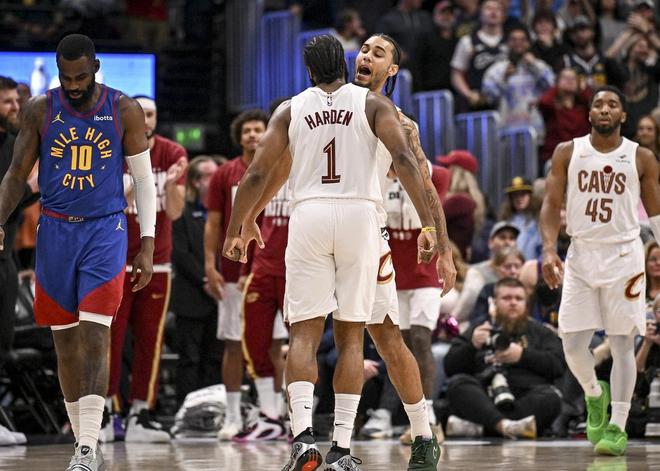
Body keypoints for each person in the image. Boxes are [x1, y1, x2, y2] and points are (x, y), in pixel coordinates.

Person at [223, 34, 438, 471]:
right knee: (353, 337)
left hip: (310, 216)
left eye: (377, 53)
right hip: (362, 218)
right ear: (345, 63)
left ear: (307, 71)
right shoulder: (374, 106)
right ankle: (341, 446)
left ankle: (304, 439)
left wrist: (240, 224)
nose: (367, 57)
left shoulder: (291, 109)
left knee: (303, 334)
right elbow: (408, 163)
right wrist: (429, 225)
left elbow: (259, 172)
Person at [0, 34, 157, 470]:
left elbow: (144, 181)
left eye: (81, 77)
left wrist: (146, 243)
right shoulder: (40, 109)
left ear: (95, 69)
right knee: (65, 343)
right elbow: (15, 175)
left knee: (95, 332)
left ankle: (87, 445)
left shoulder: (123, 108)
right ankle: (84, 443)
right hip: (55, 232)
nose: (73, 86)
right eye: (66, 78)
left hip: (105, 231)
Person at [540, 85, 660, 456]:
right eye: (598, 104)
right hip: (581, 254)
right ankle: (595, 393)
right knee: (572, 344)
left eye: (612, 104)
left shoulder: (641, 157)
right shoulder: (567, 151)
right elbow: (551, 204)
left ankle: (617, 426)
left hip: (624, 256)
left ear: (623, 115)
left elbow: (656, 213)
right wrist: (548, 249)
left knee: (622, 342)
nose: (604, 109)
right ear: (589, 113)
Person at [352, 33, 456, 448]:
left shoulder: (404, 130)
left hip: (412, 265)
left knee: (415, 340)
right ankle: (351, 424)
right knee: (369, 339)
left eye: (378, 53)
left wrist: (445, 251)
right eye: (364, 49)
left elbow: (429, 195)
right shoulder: (331, 106)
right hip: (364, 245)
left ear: (392, 69)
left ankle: (424, 420)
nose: (366, 55)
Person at [104, 95, 188, 443]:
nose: (145, 120)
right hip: (114, 261)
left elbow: (176, 211)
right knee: (110, 338)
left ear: (156, 119)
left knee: (150, 341)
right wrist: (131, 190)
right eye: (139, 114)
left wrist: (168, 185)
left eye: (150, 114)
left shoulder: (172, 153)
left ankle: (141, 412)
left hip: (157, 262)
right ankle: (106, 412)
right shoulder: (109, 150)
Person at [204, 109, 288, 440]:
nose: (253, 135)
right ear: (238, 137)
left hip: (272, 267)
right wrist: (210, 265)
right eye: (247, 130)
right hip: (232, 270)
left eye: (258, 129)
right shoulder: (225, 173)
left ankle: (276, 413)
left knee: (276, 345)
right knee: (234, 345)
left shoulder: (281, 166)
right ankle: (233, 415)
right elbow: (213, 224)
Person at [444, 278, 564, 439]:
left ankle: (487, 427)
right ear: (494, 302)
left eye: (518, 298)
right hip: (484, 397)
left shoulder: (541, 332)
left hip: (525, 396)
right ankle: (508, 427)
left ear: (526, 303)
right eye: (507, 298)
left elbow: (558, 365)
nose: (513, 303)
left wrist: (523, 355)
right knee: (458, 383)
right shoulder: (479, 329)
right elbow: (450, 367)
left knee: (551, 397)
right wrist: (472, 346)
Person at [0, 75, 36, 447]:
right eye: (8, 101)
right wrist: (32, 188)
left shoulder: (16, 144)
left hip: (5, 257)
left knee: (3, 340)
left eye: (16, 101)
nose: (15, 107)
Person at [170, 155, 223, 406]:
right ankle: (186, 409)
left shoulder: (225, 213)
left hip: (220, 296)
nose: (214, 180)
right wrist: (205, 279)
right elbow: (180, 253)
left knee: (215, 358)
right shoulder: (183, 211)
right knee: (189, 358)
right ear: (195, 181)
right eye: (208, 176)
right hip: (191, 296)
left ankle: (213, 409)